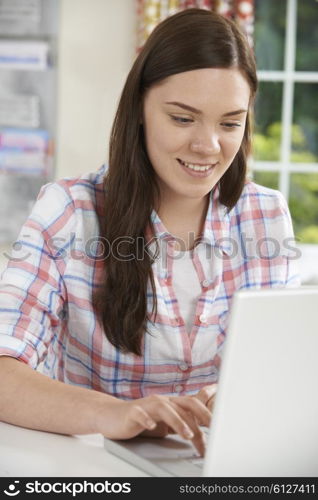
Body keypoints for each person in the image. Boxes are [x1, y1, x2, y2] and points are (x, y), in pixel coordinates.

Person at [0, 9, 300, 458]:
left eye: (230, 123)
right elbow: (5, 372)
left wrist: (235, 396)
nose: (207, 146)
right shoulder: (69, 212)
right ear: (140, 108)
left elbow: (284, 367)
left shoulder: (265, 215)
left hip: (221, 466)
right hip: (95, 465)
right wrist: (116, 413)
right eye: (182, 119)